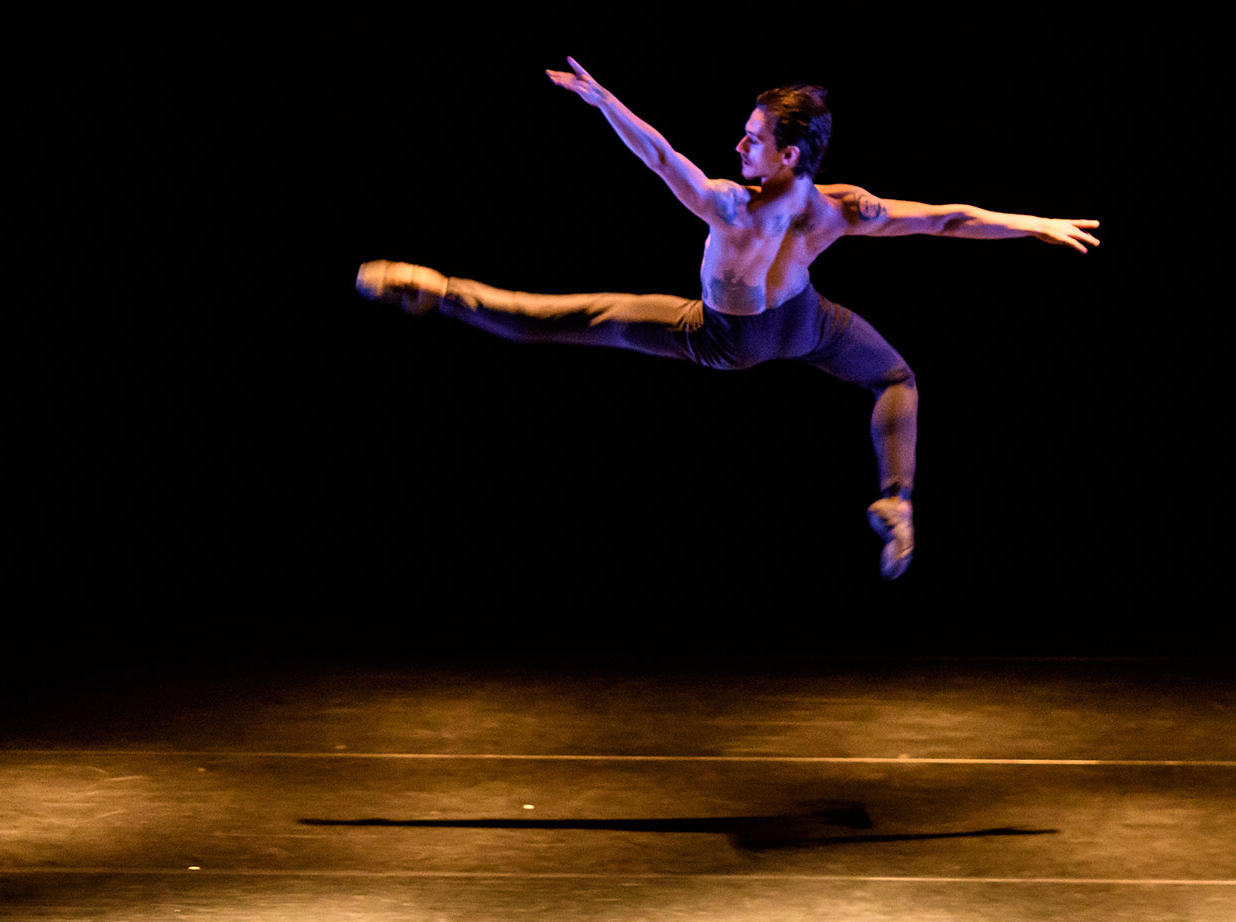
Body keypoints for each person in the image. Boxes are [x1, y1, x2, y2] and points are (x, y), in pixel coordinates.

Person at [357, 58, 1098, 579]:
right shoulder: (842, 205)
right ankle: (897, 500)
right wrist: (1031, 222)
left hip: (725, 338)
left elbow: (657, 155)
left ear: (788, 153)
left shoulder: (730, 205)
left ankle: (442, 291)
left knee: (572, 317)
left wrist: (601, 100)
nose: (738, 144)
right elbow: (947, 221)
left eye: (752, 137)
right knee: (896, 377)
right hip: (806, 325)